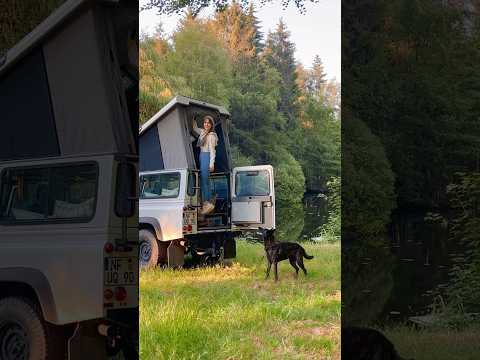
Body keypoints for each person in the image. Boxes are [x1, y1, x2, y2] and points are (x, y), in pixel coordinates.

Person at [192, 115, 218, 215]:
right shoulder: (203, 132)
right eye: (205, 122)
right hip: (202, 156)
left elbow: (212, 151)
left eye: (208, 123)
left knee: (205, 182)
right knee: (204, 181)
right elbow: (194, 128)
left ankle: (207, 204)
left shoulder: (211, 136)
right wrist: (193, 118)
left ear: (211, 125)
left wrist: (212, 164)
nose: (206, 124)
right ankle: (207, 203)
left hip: (206, 157)